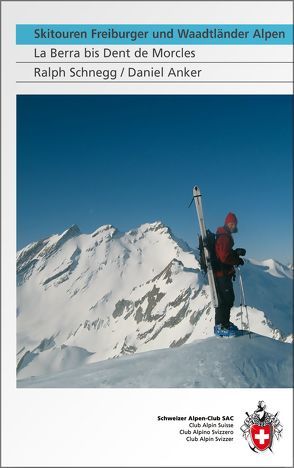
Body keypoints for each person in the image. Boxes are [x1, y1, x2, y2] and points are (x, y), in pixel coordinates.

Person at [213, 212, 246, 337]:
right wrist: (236, 260)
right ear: (227, 223)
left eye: (234, 224)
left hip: (222, 273)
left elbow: (225, 252)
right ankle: (221, 326)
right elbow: (223, 256)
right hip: (221, 274)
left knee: (226, 299)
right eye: (231, 223)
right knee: (225, 300)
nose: (233, 226)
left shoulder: (224, 236)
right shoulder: (224, 237)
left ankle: (224, 324)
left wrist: (235, 253)